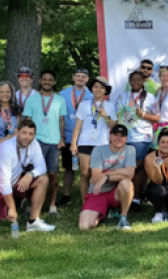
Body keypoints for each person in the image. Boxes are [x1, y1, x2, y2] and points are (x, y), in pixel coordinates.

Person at [0, 119, 55, 233]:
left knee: (43, 179)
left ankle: (33, 221)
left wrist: (30, 174)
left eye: (31, 134)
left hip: (14, 183)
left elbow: (42, 167)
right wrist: (12, 208)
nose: (27, 137)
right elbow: (4, 183)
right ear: (17, 132)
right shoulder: (6, 149)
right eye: (24, 133)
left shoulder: (34, 143)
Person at [23, 70, 67, 218]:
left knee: (53, 174)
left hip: (53, 142)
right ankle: (31, 204)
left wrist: (62, 138)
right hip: (35, 141)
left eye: (50, 80)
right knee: (33, 172)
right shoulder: (32, 99)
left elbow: (61, 120)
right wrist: (27, 138)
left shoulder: (60, 100)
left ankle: (52, 205)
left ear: (54, 83)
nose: (47, 82)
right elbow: (27, 120)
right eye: (45, 79)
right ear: (40, 81)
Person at [115, 71, 159, 210]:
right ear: (129, 81)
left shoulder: (150, 97)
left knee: (137, 166)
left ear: (143, 82)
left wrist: (144, 115)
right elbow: (117, 115)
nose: (135, 82)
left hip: (142, 136)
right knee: (125, 166)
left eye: (139, 80)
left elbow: (157, 117)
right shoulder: (122, 96)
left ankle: (136, 198)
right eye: (133, 80)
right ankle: (124, 196)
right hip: (125, 137)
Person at [78, 124, 136, 231]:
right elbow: (95, 178)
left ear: (126, 138)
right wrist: (119, 172)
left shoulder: (130, 150)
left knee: (127, 183)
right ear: (110, 136)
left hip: (116, 193)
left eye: (122, 136)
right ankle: (104, 213)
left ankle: (123, 218)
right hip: (98, 192)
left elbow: (130, 174)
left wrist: (107, 177)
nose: (118, 138)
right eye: (115, 135)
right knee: (85, 226)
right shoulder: (98, 150)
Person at [70, 77, 117, 202]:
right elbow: (78, 126)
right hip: (85, 143)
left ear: (105, 90)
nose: (98, 90)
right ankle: (86, 203)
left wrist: (106, 116)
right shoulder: (84, 105)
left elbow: (113, 126)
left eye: (101, 88)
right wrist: (74, 144)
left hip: (102, 144)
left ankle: (97, 201)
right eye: (96, 87)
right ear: (91, 89)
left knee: (97, 175)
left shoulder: (110, 106)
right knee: (85, 174)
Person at [58, 68, 92, 207]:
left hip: (85, 137)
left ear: (87, 79)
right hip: (66, 136)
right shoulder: (63, 93)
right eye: (77, 76)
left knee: (87, 169)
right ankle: (67, 195)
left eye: (83, 76)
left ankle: (88, 195)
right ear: (73, 78)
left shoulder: (91, 94)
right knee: (68, 168)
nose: (80, 78)